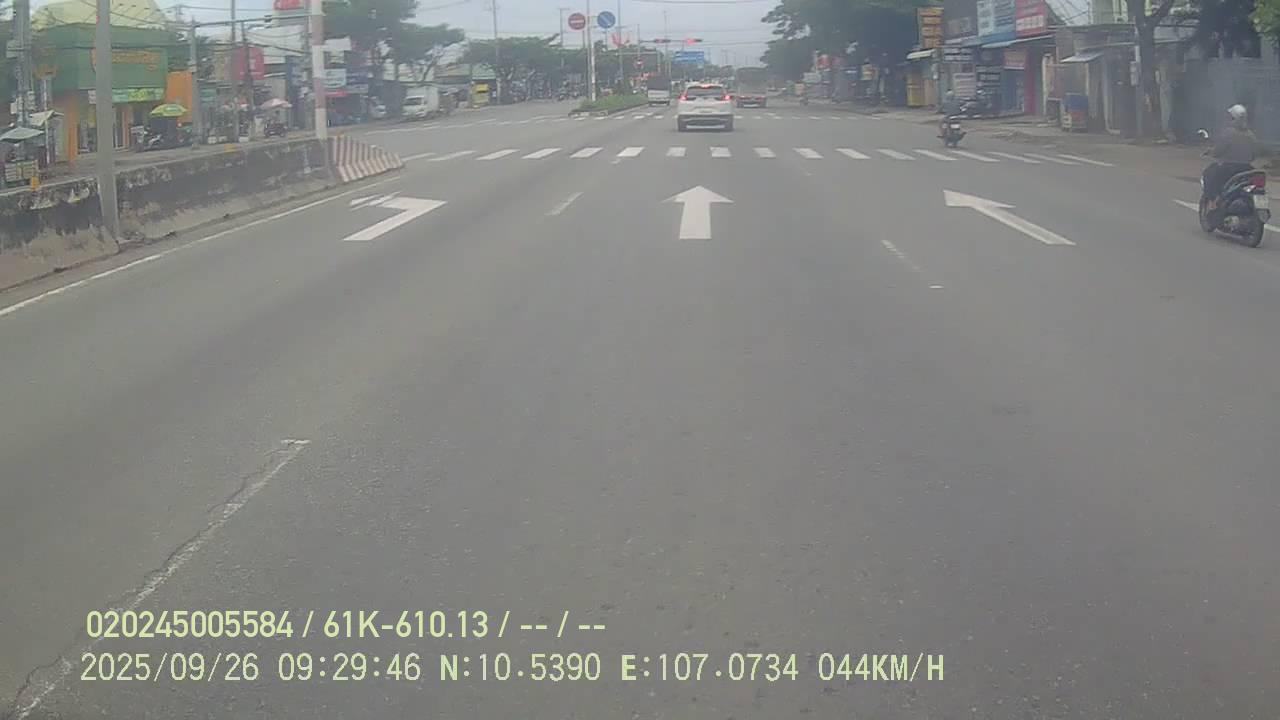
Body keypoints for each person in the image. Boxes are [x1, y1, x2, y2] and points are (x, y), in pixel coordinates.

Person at [1202, 104, 1260, 210]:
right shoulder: (1251, 135)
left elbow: (1218, 151)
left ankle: (1213, 201)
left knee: (1208, 173)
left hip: (1228, 168)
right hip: (1247, 169)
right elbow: (1254, 155)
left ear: (1233, 118)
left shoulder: (1228, 133)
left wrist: (1211, 152)